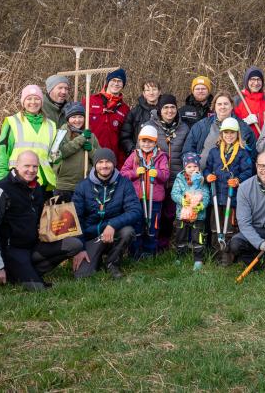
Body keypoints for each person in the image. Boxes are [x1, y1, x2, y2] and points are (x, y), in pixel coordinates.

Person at [0, 151, 86, 291]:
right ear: (16, 165)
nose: (31, 170)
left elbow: (42, 219)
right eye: (27, 166)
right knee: (38, 289)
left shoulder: (37, 188)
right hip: (12, 249)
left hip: (34, 245)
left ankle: (27, 272)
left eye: (35, 166)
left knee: (74, 244)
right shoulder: (1, 190)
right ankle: (13, 272)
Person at [73, 148, 140, 279]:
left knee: (127, 231)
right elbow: (76, 218)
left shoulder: (124, 183)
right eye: (100, 162)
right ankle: (95, 258)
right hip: (91, 235)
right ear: (95, 164)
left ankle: (112, 263)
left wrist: (113, 224)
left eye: (108, 162)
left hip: (112, 233)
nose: (104, 165)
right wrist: (80, 249)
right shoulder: (83, 186)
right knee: (82, 276)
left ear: (114, 163)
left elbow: (135, 211)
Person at [204, 117, 255, 265]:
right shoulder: (214, 152)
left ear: (237, 134)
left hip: (232, 198)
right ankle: (216, 255)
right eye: (226, 132)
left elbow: (248, 172)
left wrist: (238, 180)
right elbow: (207, 167)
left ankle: (228, 257)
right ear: (221, 134)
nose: (229, 135)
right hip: (216, 196)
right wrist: (208, 176)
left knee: (229, 228)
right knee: (215, 227)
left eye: (232, 133)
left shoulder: (242, 153)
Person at [120, 124, 171, 258]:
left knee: (152, 226)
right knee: (137, 224)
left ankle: (149, 252)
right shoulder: (134, 156)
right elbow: (123, 173)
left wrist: (158, 173)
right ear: (139, 141)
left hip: (154, 200)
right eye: (144, 141)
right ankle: (135, 253)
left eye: (150, 141)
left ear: (155, 142)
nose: (147, 144)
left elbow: (166, 175)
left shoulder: (161, 157)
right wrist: (135, 172)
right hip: (137, 198)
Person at [0, 84, 58, 190]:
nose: (33, 102)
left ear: (41, 102)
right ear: (23, 102)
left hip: (42, 184)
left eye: (37, 99)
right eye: (29, 99)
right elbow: (1, 153)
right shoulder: (12, 122)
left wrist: (58, 154)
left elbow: (53, 156)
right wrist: (2, 181)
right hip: (17, 181)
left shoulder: (51, 125)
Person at [147, 94, 190, 250]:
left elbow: (187, 150)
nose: (169, 110)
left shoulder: (183, 127)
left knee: (170, 213)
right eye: (166, 107)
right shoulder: (150, 126)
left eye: (172, 107)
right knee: (155, 213)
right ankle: (152, 243)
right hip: (156, 178)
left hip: (175, 178)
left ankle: (164, 243)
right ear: (160, 109)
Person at [184, 92, 257, 166]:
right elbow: (188, 150)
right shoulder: (201, 126)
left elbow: (253, 156)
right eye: (219, 104)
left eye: (226, 104)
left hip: (233, 176)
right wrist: (192, 169)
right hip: (203, 174)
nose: (223, 107)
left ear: (231, 106)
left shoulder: (243, 128)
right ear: (214, 106)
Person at [50, 102, 100, 202]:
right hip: (63, 186)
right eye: (74, 117)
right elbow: (59, 154)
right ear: (68, 119)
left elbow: (99, 160)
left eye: (80, 117)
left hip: (85, 184)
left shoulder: (91, 136)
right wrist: (81, 139)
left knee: (81, 216)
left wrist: (91, 150)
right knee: (63, 217)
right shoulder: (61, 133)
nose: (77, 120)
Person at [82, 67, 130, 165]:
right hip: (88, 155)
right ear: (107, 82)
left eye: (119, 81)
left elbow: (124, 137)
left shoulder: (125, 109)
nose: (116, 84)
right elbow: (77, 123)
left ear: (123, 84)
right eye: (113, 80)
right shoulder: (90, 100)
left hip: (111, 158)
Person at [171, 153, 210, 270]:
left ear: (199, 167)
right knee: (180, 236)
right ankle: (180, 256)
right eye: (189, 167)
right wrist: (182, 200)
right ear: (184, 167)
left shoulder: (201, 180)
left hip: (198, 216)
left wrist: (201, 206)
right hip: (181, 215)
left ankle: (198, 259)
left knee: (198, 237)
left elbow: (207, 195)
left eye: (195, 166)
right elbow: (174, 193)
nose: (192, 169)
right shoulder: (180, 179)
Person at [119, 80, 162, 156]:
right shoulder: (134, 112)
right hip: (139, 157)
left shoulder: (166, 111)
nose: (151, 93)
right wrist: (133, 151)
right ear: (144, 93)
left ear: (159, 92)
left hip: (161, 156)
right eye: (148, 90)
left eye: (154, 89)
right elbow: (125, 136)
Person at [233, 66, 265, 138]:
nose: (256, 83)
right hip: (244, 145)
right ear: (247, 81)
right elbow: (229, 125)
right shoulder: (237, 101)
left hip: (264, 145)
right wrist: (244, 122)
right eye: (252, 79)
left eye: (259, 79)